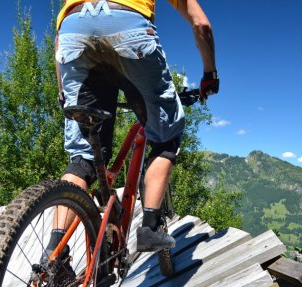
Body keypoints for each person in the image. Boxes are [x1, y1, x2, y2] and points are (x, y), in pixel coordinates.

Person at [45, 0, 219, 259]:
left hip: (73, 33)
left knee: (82, 158)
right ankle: (149, 228)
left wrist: (63, 93)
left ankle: (53, 252)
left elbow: (59, 42)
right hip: (129, 33)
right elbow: (201, 24)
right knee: (164, 139)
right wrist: (209, 74)